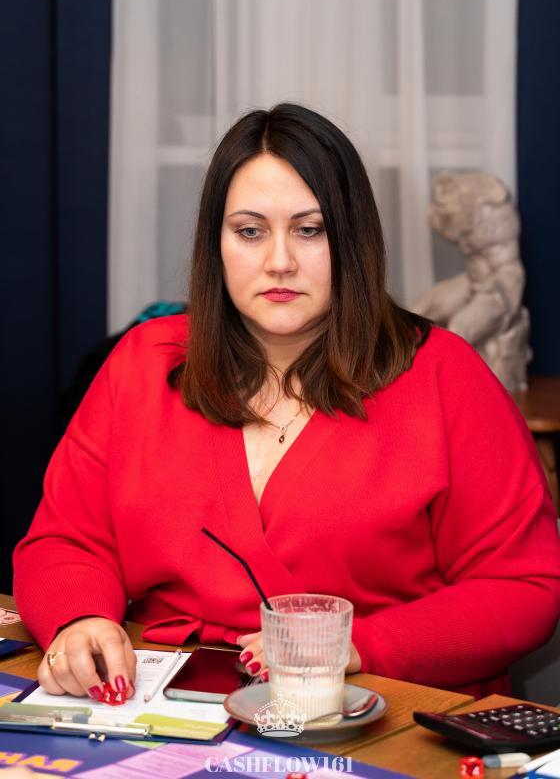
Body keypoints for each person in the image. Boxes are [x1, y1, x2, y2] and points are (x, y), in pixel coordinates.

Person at [13, 103, 560, 704]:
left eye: (310, 230)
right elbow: (64, 541)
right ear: (216, 243)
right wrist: (78, 620)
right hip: (166, 706)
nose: (279, 261)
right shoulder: (143, 362)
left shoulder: (444, 374)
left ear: (352, 240)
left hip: (380, 709)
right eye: (250, 231)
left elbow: (524, 587)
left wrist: (355, 646)